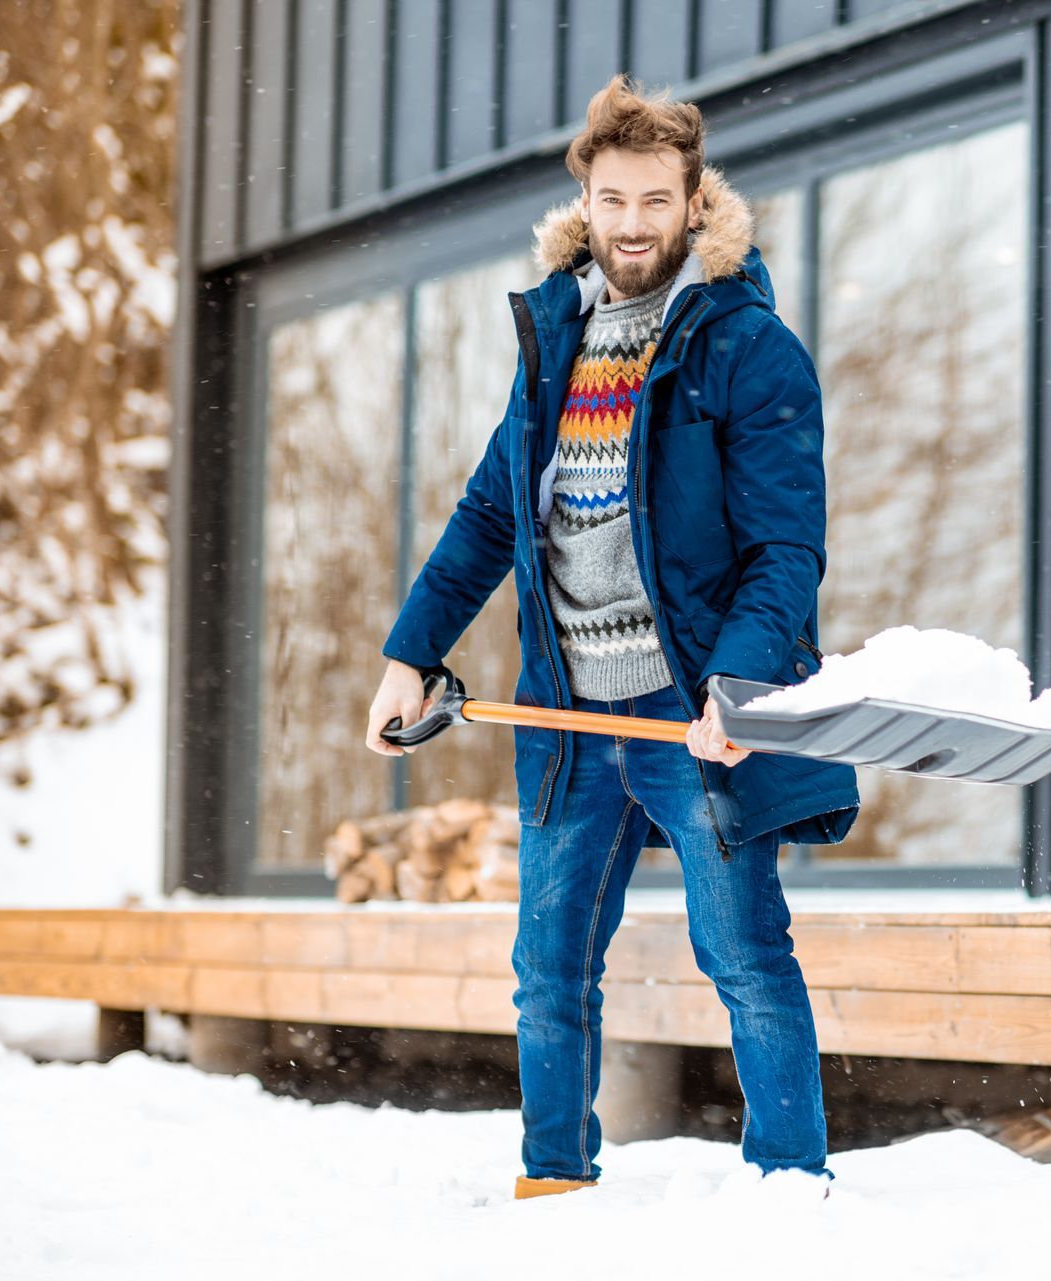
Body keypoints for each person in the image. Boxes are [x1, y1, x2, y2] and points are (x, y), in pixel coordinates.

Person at [363, 71, 859, 1201]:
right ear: (584, 203)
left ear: (694, 203)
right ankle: (553, 1189)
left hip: (696, 713)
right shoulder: (554, 339)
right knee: (547, 972)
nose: (632, 224)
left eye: (654, 201)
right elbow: (492, 513)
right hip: (569, 715)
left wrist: (737, 689)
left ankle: (791, 1188)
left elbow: (786, 548)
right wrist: (410, 653)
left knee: (743, 958)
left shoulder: (747, 347)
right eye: (612, 201)